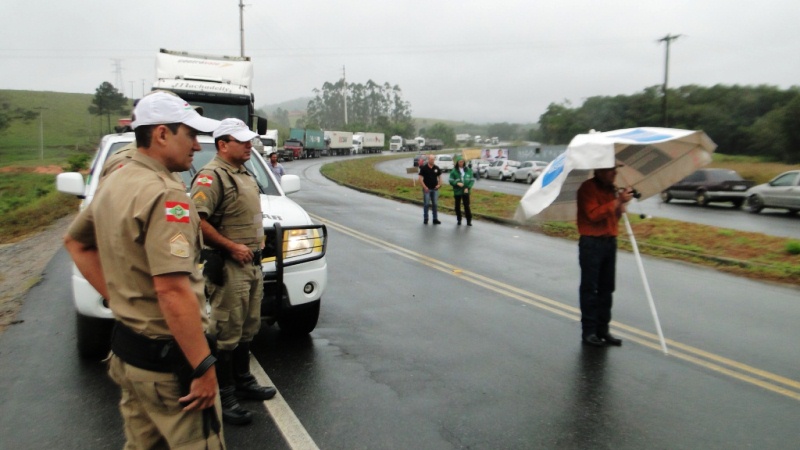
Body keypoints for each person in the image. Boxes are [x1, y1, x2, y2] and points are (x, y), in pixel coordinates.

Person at [63, 92, 226, 448]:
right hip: (169, 366)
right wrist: (202, 366)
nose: (198, 146)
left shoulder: (115, 182)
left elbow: (77, 243)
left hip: (129, 354)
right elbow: (172, 290)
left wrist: (122, 298)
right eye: (190, 135)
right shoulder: (167, 195)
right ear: (162, 134)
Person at [190, 118, 277, 425]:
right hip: (229, 267)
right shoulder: (212, 176)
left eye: (249, 139)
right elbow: (197, 221)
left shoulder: (244, 173)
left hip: (251, 264)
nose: (249, 144)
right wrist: (230, 246)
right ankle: (223, 394)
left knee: (247, 326)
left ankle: (243, 381)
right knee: (226, 330)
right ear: (222, 145)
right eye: (241, 140)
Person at [576, 165, 634, 347]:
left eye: (615, 170)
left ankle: (603, 329)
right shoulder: (587, 188)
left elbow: (611, 218)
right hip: (591, 243)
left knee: (607, 288)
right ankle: (589, 332)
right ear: (599, 171)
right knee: (590, 288)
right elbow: (593, 215)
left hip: (609, 242)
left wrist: (621, 206)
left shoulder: (611, 190)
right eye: (611, 170)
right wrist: (617, 202)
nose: (615, 173)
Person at [449, 156, 474, 226]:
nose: (461, 163)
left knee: (466, 206)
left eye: (462, 162)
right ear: (457, 163)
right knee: (457, 206)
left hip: (466, 191)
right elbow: (451, 181)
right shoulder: (454, 171)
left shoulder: (468, 170)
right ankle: (459, 219)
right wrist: (457, 183)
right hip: (457, 191)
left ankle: (469, 220)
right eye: (460, 162)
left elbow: (472, 180)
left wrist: (468, 187)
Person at [418, 154, 442, 225]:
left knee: (435, 204)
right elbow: (420, 178)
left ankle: (435, 218)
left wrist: (439, 185)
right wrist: (424, 187)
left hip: (435, 189)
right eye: (431, 159)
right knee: (426, 204)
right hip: (427, 189)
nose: (433, 161)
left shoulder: (436, 168)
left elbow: (440, 177)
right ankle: (426, 218)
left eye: (433, 159)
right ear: (428, 160)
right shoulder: (424, 168)